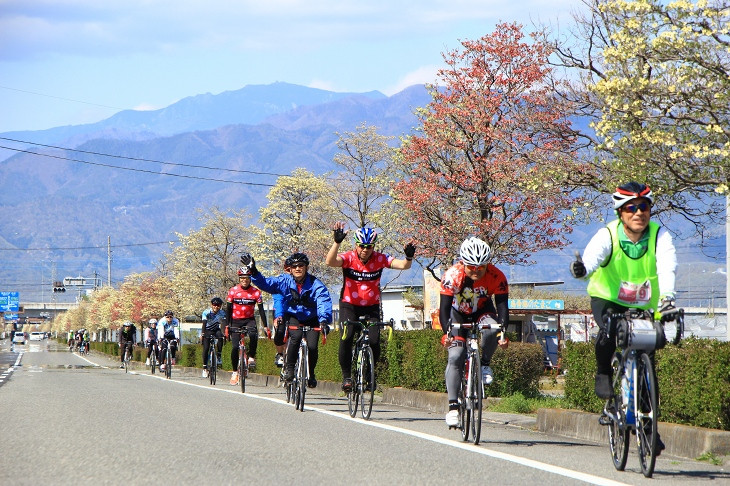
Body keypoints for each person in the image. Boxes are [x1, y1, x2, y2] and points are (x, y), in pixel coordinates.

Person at [570, 182, 677, 454]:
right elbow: (593, 259)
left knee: (647, 359)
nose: (638, 213)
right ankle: (604, 372)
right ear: (621, 212)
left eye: (644, 207)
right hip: (608, 299)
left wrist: (667, 299)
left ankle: (649, 426)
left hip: (645, 304)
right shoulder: (608, 234)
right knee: (608, 332)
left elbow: (667, 267)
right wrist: (582, 269)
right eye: (631, 208)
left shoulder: (659, 236)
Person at [325, 223, 416, 392]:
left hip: (371, 306)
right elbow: (330, 262)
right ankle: (346, 377)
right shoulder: (349, 258)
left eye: (369, 246)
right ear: (356, 245)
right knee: (347, 336)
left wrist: (409, 257)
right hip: (349, 305)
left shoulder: (380, 258)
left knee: (374, 340)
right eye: (362, 246)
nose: (365, 250)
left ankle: (369, 376)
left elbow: (403, 266)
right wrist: (336, 243)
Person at [439, 236, 509, 427]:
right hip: (457, 314)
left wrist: (502, 333)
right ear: (463, 263)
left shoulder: (497, 276)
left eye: (481, 267)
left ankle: (484, 363)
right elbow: (444, 310)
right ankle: (453, 407)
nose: (476, 271)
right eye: (472, 267)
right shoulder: (452, 276)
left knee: (491, 329)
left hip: (483, 311)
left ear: (487, 264)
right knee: (455, 356)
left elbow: (503, 309)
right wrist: (447, 333)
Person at [241, 251, 332, 389]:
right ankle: (289, 369)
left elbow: (323, 301)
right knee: (295, 337)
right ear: (290, 269)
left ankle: (311, 373)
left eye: (301, 265)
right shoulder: (284, 281)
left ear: (306, 267)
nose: (297, 268)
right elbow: (266, 283)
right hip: (293, 316)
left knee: (313, 346)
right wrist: (254, 271)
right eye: (294, 266)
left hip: (312, 318)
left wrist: (324, 320)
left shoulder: (316, 284)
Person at [226, 267, 270, 386]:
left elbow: (261, 310)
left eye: (247, 278)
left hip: (249, 320)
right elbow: (228, 309)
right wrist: (227, 325)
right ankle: (235, 372)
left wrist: (266, 326)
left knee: (253, 335)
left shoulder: (256, 292)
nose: (244, 280)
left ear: (250, 279)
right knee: (235, 347)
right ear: (239, 279)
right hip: (235, 320)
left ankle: (251, 357)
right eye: (242, 278)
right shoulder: (233, 291)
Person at [201, 297, 226, 378]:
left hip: (216, 330)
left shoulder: (222, 313)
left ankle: (218, 355)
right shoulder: (206, 312)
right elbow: (204, 324)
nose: (216, 307)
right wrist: (202, 334)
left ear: (220, 306)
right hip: (207, 330)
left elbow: (223, 324)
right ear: (211, 305)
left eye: (218, 305)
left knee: (221, 337)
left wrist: (224, 334)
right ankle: (205, 368)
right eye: (214, 305)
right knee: (206, 348)